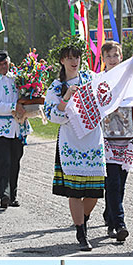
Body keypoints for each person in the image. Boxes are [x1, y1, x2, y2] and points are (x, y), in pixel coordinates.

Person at [44, 39, 105, 252]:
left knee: (95, 191)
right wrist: (66, 98)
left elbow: (110, 87)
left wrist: (128, 66)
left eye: (77, 57)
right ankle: (81, 232)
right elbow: (52, 115)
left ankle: (83, 219)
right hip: (71, 140)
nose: (74, 61)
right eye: (69, 58)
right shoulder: (56, 86)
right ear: (62, 60)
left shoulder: (91, 78)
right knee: (75, 191)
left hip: (92, 139)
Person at [100, 41, 133, 242]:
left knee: (121, 183)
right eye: (109, 55)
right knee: (112, 182)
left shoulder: (130, 78)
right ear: (103, 58)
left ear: (121, 56)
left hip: (127, 136)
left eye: (116, 55)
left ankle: (109, 213)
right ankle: (118, 223)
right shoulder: (100, 80)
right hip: (107, 138)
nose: (113, 59)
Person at [0, 50, 30, 209]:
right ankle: (4, 193)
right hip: (2, 128)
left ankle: (13, 195)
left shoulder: (18, 78)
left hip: (18, 127)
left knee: (16, 161)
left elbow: (25, 96)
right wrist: (13, 107)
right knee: (4, 161)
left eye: (5, 63)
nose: (3, 67)